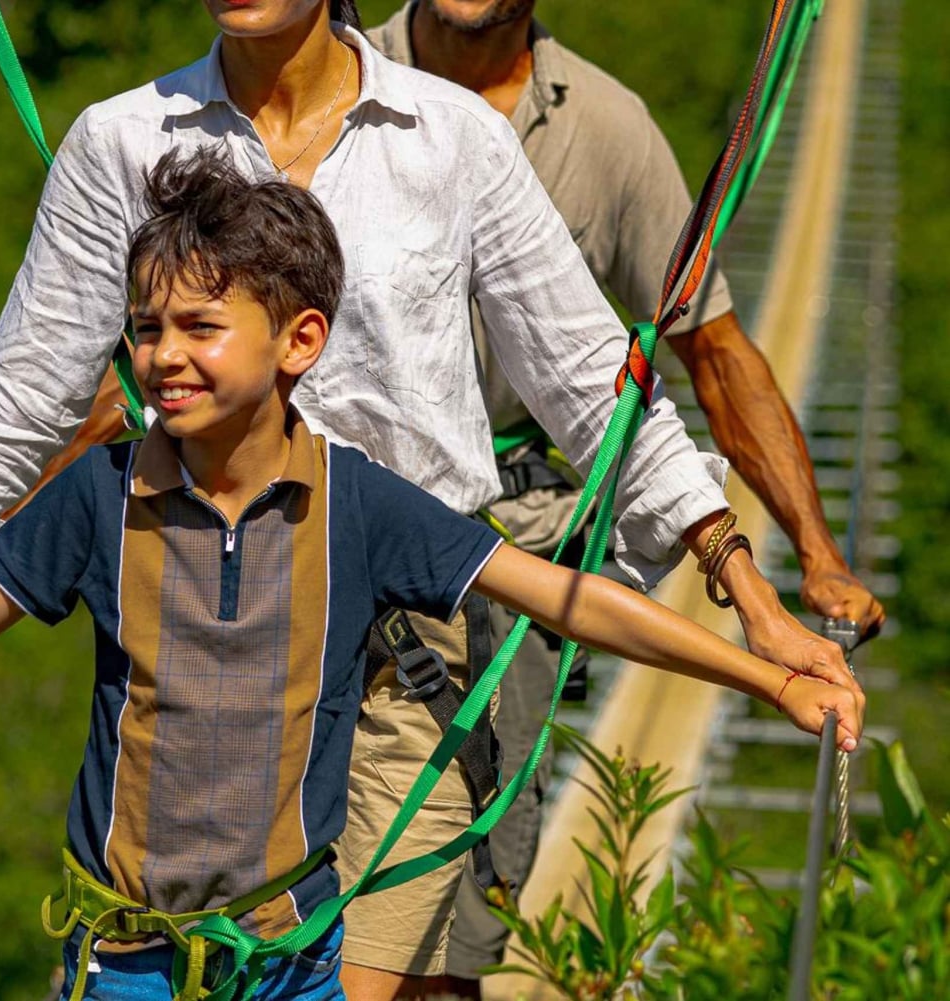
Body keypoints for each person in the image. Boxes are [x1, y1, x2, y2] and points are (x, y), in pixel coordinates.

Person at [0, 3, 860, 997]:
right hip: (213, 646)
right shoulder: (122, 142)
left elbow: (590, 382)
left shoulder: (450, 139)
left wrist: (753, 603)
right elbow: (15, 401)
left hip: (411, 644)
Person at [359, 2, 886, 995]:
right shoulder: (329, 86)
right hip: (333, 523)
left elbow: (709, 352)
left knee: (455, 904)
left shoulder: (608, 131)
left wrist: (814, 556)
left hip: (511, 547)